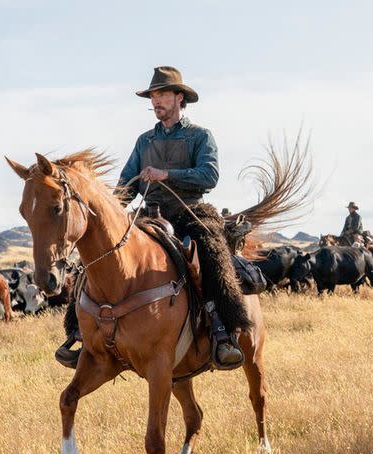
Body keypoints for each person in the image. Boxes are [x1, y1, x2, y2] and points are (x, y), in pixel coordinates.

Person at [55, 66, 248, 369]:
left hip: (190, 211)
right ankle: (81, 335)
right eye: (153, 96)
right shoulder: (144, 141)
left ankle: (223, 331)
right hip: (149, 215)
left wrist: (166, 174)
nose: (156, 101)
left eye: (162, 95)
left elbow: (209, 175)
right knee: (97, 256)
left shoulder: (200, 136)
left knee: (211, 254)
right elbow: (125, 185)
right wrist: (114, 210)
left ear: (179, 97)